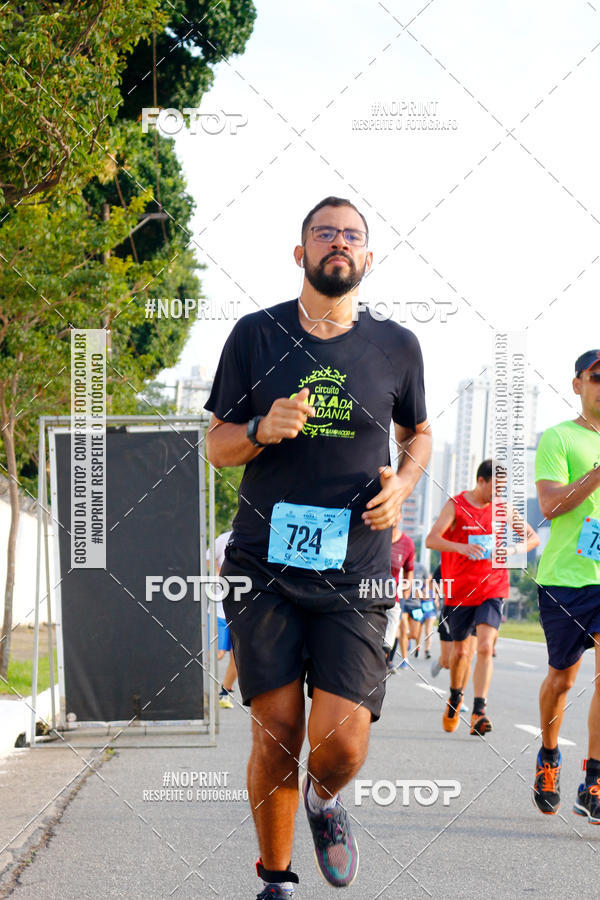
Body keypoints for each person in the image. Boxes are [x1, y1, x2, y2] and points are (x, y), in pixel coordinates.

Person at [205, 196, 431, 899]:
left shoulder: (396, 346)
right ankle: (276, 880)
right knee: (275, 728)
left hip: (357, 568)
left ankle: (325, 799)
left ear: (368, 258)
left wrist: (406, 485)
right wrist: (262, 430)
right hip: (265, 563)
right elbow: (217, 446)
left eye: (353, 236)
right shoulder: (255, 335)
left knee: (342, 745)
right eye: (324, 233)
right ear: (299, 253)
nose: (339, 243)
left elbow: (418, 434)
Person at [532, 350, 600, 821]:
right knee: (562, 678)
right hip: (563, 579)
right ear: (578, 384)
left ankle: (593, 780)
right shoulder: (560, 438)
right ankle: (549, 756)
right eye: (598, 377)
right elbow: (552, 506)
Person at [426, 459, 539, 736]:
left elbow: (533, 538)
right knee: (461, 652)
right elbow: (432, 539)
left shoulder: (503, 509)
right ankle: (455, 698)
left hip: (493, 587)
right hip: (460, 591)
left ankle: (479, 710)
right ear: (481, 481)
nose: (498, 495)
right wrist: (461, 547)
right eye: (495, 488)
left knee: (486, 647)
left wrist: (512, 550)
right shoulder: (456, 505)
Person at [210, 530, 238, 709]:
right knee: (218, 653)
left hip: (241, 610)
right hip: (219, 609)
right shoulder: (224, 539)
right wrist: (221, 575)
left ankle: (224, 693)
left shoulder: (258, 537)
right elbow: (208, 559)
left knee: (238, 657)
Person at [384, 519, 415, 671]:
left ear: (400, 517)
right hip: (367, 593)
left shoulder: (407, 543)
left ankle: (386, 658)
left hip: (393, 596)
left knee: (394, 628)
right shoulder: (374, 537)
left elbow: (409, 568)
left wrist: (407, 588)